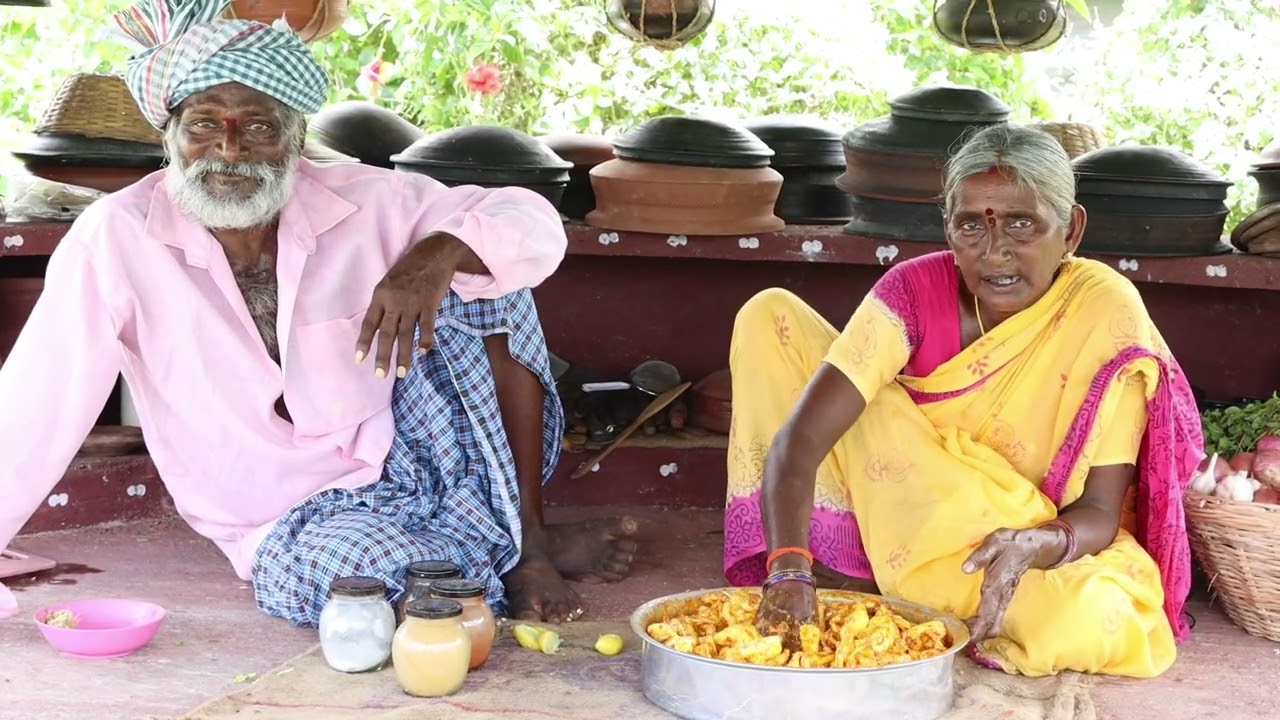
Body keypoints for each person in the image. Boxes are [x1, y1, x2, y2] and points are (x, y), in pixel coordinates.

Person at [0, 0, 638, 626]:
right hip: (282, 514)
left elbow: (529, 221)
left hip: (411, 464)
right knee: (379, 587)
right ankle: (492, 552)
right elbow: (38, 397)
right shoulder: (115, 237)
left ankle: (526, 543)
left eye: (257, 126)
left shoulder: (368, 201)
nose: (228, 148)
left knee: (491, 276)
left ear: (295, 140)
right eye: (202, 124)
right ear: (169, 136)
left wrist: (439, 254)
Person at [723, 124, 1204, 678]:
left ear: (1070, 231)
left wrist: (1039, 543)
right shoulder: (912, 292)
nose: (994, 252)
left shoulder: (1105, 311)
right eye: (969, 226)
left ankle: (912, 587)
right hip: (901, 507)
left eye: (1022, 224)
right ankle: (852, 563)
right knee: (770, 316)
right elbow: (802, 438)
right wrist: (788, 569)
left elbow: (1098, 510)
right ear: (947, 229)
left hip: (1010, 535)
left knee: (1091, 618)